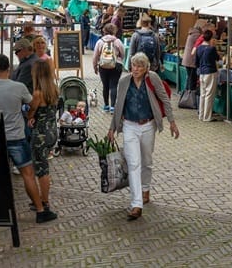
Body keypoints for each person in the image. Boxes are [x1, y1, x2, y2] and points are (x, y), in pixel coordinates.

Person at [0, 54, 57, 223]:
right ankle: (40, 210)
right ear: (9, 69)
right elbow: (32, 104)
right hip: (16, 136)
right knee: (28, 174)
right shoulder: (19, 87)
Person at [107, 52, 180, 221]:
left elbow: (165, 100)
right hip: (129, 126)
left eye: (140, 66)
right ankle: (136, 204)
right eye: (133, 65)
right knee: (134, 164)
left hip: (148, 125)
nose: (136, 69)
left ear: (146, 68)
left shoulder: (152, 78)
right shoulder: (124, 81)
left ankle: (146, 188)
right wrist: (112, 128)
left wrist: (172, 122)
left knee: (146, 161)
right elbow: (118, 105)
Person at [26, 60, 60, 215]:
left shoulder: (38, 93)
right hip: (52, 131)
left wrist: (30, 117)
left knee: (41, 169)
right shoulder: (54, 89)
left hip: (40, 134)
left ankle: (44, 201)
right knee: (44, 166)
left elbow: (31, 111)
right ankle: (43, 198)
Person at [94, 23, 125, 112]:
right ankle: (113, 107)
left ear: (104, 31)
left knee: (105, 86)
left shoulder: (100, 42)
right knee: (114, 86)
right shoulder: (117, 41)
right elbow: (123, 53)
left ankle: (106, 105)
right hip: (116, 65)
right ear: (114, 31)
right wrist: (120, 61)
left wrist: (95, 67)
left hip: (103, 66)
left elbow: (95, 56)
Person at [195, 29, 220, 122]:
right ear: (211, 38)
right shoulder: (211, 48)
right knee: (209, 95)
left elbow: (196, 62)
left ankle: (201, 115)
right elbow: (217, 58)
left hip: (202, 72)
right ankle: (207, 116)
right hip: (210, 72)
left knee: (203, 94)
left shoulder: (198, 48)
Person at [181, 19, 205, 96]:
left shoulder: (192, 33)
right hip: (191, 60)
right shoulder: (197, 35)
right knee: (192, 79)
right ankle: (190, 98)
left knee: (189, 78)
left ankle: (186, 95)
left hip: (187, 60)